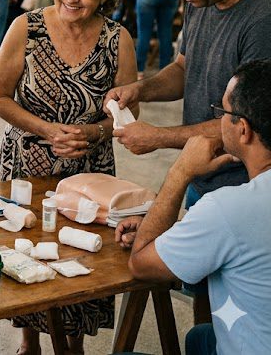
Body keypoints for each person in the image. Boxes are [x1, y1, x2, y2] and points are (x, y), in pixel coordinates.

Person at [105, 0, 271, 323]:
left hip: (244, 184)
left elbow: (245, 121)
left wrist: (158, 137)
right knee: (203, 302)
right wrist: (141, 87)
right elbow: (183, 68)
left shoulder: (263, 18)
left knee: (236, 312)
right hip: (203, 172)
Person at [0, 0, 136, 355]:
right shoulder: (27, 27)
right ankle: (29, 341)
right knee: (28, 252)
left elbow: (126, 115)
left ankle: (72, 343)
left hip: (90, 172)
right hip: (28, 166)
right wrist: (48, 130)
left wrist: (94, 134)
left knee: (83, 257)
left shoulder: (116, 39)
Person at [115, 59, 271, 355]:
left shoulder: (228, 208)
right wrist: (178, 234)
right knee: (201, 337)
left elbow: (141, 264)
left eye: (223, 112)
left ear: (244, 131)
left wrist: (181, 171)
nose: (219, 120)